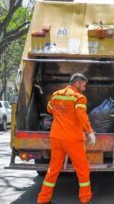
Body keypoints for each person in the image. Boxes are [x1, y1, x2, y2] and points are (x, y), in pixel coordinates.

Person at [37, 73, 96, 204]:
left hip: (56, 137)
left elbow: (49, 109)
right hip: (72, 139)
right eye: (84, 85)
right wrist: (90, 131)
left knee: (53, 170)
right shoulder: (79, 98)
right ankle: (85, 199)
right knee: (82, 170)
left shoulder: (56, 94)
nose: (84, 88)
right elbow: (81, 116)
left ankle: (43, 199)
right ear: (77, 83)